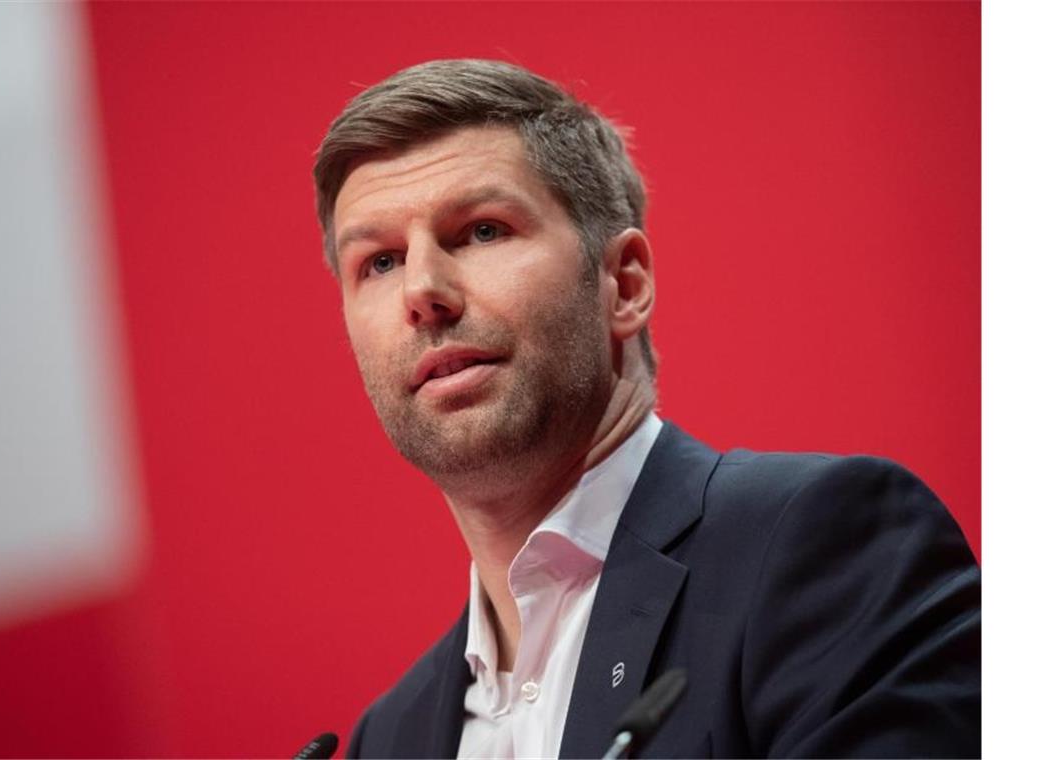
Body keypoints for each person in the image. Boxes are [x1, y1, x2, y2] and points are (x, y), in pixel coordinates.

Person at [312, 59, 980, 759]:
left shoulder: (824, 551)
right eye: (380, 262)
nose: (423, 289)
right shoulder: (389, 739)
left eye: (482, 231)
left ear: (623, 284)